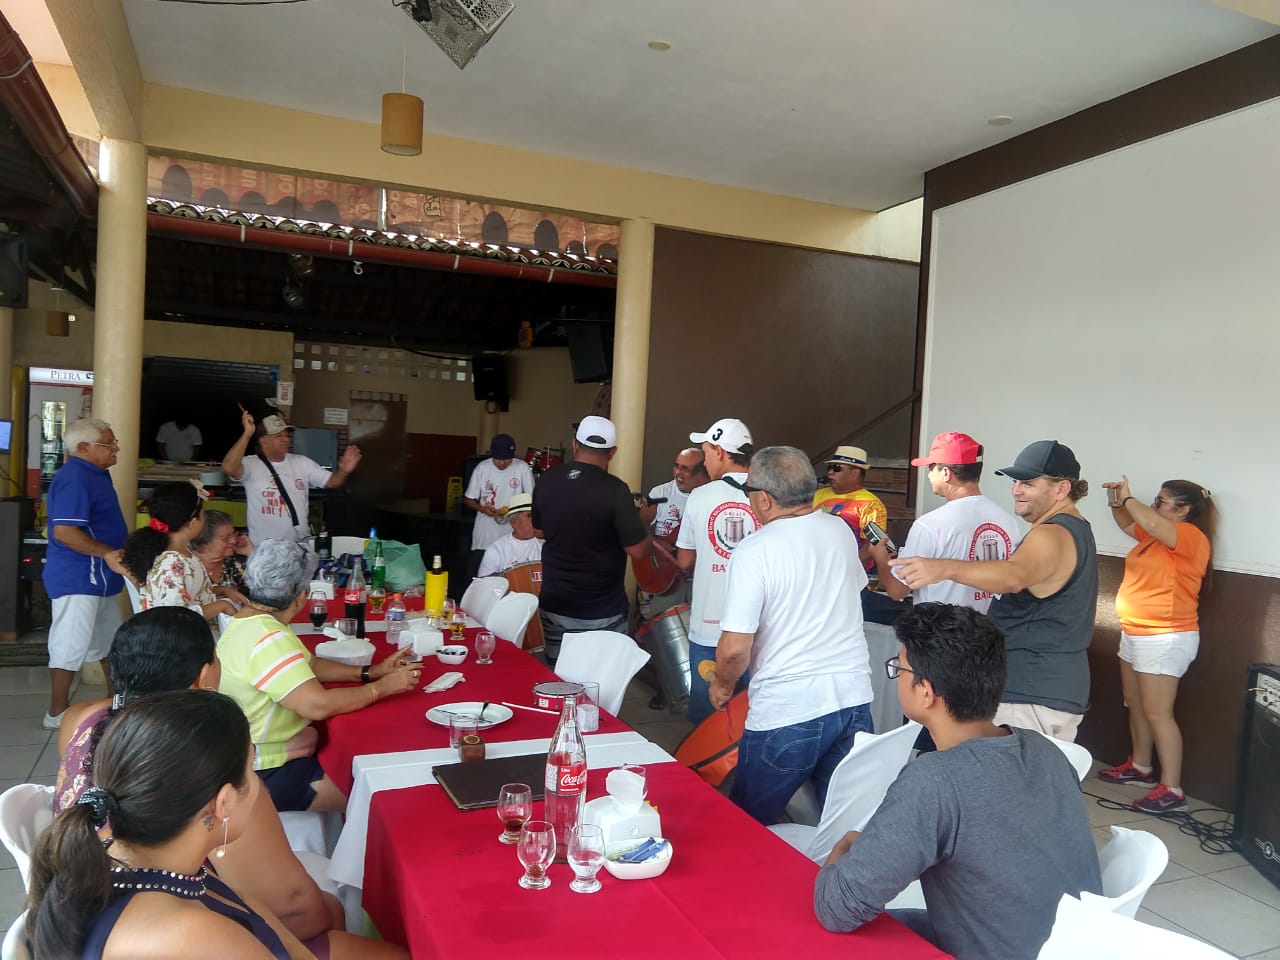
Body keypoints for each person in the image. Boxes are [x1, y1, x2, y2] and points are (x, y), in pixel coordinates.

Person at [51, 607, 372, 954]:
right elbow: (294, 910)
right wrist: (332, 910)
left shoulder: (80, 719)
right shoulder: (207, 765)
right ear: (205, 677)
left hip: (95, 909)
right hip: (183, 928)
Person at [814, 603, 1102, 960]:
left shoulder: (934, 780)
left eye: (899, 669)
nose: (897, 677)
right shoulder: (1045, 751)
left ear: (926, 692)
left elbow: (837, 908)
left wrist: (839, 854)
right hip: (1069, 944)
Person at [28, 690, 408, 960]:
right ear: (223, 801)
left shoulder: (149, 860)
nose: (257, 785)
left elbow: (262, 918)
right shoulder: (191, 934)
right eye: (251, 769)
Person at [709, 445, 873, 825]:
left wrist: (722, 684)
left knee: (748, 825)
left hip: (789, 708)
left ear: (764, 499)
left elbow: (734, 649)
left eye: (749, 491)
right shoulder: (839, 531)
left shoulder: (754, 550)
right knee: (845, 823)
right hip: (852, 698)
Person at [892, 440, 1098, 741]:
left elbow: (1013, 576)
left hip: (1030, 692)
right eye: (1015, 482)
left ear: (1062, 489)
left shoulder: (1052, 534)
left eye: (1028, 483)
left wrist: (943, 568)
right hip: (1050, 687)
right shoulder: (1076, 528)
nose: (1016, 490)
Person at [217, 539, 420, 812]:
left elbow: (310, 665)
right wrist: (383, 687)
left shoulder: (250, 621)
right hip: (263, 769)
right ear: (301, 596)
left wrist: (370, 672)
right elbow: (318, 705)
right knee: (378, 799)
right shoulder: (267, 637)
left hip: (249, 753)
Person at [1097, 477, 1215, 813]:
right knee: (1135, 703)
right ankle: (1141, 767)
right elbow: (1130, 524)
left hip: (1165, 636)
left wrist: (1129, 498)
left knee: (1158, 713)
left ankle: (1172, 790)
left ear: (1184, 510)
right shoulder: (1155, 537)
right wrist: (1116, 501)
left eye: (1161, 501)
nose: (1153, 505)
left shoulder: (1189, 536)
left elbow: (1147, 521)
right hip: (1135, 632)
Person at [531, 415, 652, 663]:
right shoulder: (616, 490)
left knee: (560, 673)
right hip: (601, 608)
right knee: (601, 678)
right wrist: (642, 521)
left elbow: (539, 532)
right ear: (613, 452)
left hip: (555, 602)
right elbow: (639, 551)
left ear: (575, 444)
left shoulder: (547, 480)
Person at [867, 431, 1021, 611]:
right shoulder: (1007, 520)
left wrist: (880, 557)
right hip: (989, 626)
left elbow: (897, 590)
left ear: (946, 473)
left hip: (941, 626)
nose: (929, 476)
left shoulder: (929, 525)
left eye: (931, 468)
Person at [42, 417, 130, 730]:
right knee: (69, 643)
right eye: (109, 443)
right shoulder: (75, 477)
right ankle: (56, 712)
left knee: (110, 641)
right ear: (83, 448)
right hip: (78, 575)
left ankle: (117, 702)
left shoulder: (96, 474)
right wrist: (106, 552)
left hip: (99, 576)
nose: (116, 448)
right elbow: (65, 532)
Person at [675, 419, 760, 724]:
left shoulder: (700, 496)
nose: (705, 460)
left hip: (711, 627)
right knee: (754, 717)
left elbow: (685, 560)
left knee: (708, 724)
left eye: (706, 452)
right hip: (759, 629)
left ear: (720, 451)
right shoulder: (769, 496)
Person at [222, 409, 362, 549]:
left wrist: (344, 471)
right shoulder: (251, 464)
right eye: (279, 436)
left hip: (298, 547)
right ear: (263, 440)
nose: (286, 439)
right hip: (263, 550)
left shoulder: (301, 462)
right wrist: (247, 434)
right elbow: (228, 468)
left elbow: (332, 482)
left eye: (287, 435)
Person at [123, 482, 237, 624]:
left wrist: (222, 591)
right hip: (180, 636)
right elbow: (175, 617)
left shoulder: (182, 554)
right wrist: (222, 605)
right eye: (203, 515)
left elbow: (189, 592)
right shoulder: (171, 562)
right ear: (192, 523)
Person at [464, 432, 535, 579]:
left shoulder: (521, 468)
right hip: (485, 534)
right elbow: (468, 499)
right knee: (482, 577)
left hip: (513, 533)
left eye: (506, 459)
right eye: (498, 459)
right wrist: (483, 509)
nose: (502, 463)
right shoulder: (482, 468)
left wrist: (514, 512)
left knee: (513, 575)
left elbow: (532, 499)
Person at [813, 444, 887, 571]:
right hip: (817, 567)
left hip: (850, 572)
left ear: (854, 473)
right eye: (829, 468)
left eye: (836, 468)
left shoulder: (871, 504)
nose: (830, 472)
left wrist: (848, 567)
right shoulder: (817, 494)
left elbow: (874, 543)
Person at [639, 446, 709, 545]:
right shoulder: (660, 493)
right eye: (676, 466)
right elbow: (639, 526)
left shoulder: (715, 496)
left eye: (684, 468)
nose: (677, 472)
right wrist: (657, 544)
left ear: (702, 473)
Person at [193, 508, 251, 603]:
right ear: (205, 542)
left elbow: (269, 588)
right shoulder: (186, 566)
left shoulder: (237, 563)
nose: (233, 540)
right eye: (225, 538)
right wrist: (223, 591)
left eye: (234, 534)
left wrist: (252, 553)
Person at [478, 492, 542, 576]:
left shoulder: (545, 544)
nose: (535, 519)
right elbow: (485, 581)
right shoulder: (497, 549)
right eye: (529, 516)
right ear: (514, 522)